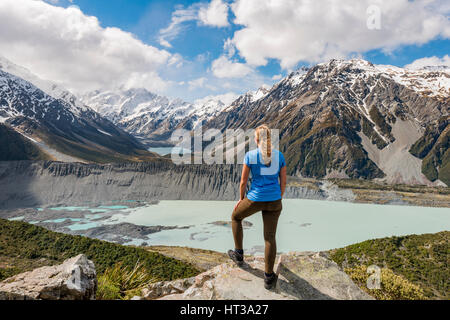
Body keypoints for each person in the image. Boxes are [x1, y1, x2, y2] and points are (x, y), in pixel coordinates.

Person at [228, 124, 287, 290]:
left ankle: (238, 254)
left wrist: (241, 199)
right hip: (274, 200)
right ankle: (269, 278)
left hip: (255, 199)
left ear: (256, 139)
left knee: (235, 217)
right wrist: (278, 197)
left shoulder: (250, 155)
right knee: (269, 237)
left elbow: (243, 182)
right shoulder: (279, 156)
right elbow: (283, 181)